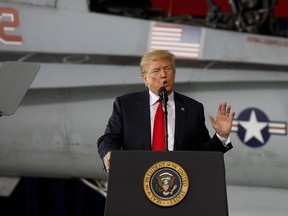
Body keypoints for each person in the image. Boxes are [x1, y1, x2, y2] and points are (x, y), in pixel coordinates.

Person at [97, 50, 235, 171]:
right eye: (156, 71)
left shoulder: (193, 108)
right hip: (137, 179)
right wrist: (109, 152)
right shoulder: (126, 105)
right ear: (145, 79)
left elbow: (204, 154)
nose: (163, 75)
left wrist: (221, 136)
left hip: (180, 185)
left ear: (174, 73)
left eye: (167, 68)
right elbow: (110, 138)